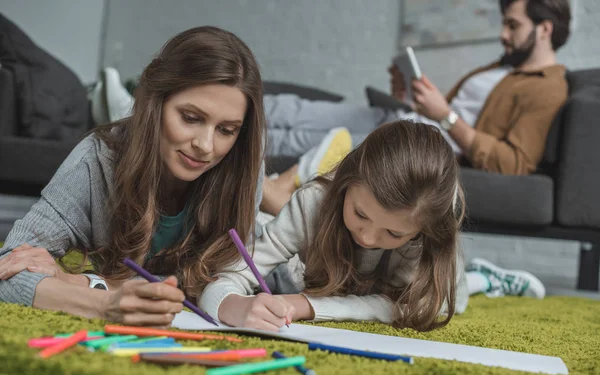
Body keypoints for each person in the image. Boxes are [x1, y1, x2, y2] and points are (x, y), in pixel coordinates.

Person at [0, 26, 266, 327]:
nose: (205, 146)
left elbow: (227, 279)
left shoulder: (244, 167)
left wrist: (80, 283)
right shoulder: (96, 161)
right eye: (191, 118)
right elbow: (8, 269)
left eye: (226, 130)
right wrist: (104, 304)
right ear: (155, 103)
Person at [263, 0, 571, 202]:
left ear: (544, 29)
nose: (503, 34)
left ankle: (240, 151)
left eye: (513, 25)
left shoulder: (549, 88)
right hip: (406, 118)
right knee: (293, 109)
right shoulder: (501, 67)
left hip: (420, 142)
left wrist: (445, 115)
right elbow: (449, 112)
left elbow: (514, 163)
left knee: (298, 138)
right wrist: (411, 100)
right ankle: (233, 110)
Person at [199, 120, 468, 332]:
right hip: (315, 268)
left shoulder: (430, 233)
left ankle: (483, 278)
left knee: (466, 289)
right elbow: (223, 281)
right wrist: (231, 304)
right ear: (345, 183)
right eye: (360, 214)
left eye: (394, 233)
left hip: (445, 279)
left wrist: (307, 305)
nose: (367, 236)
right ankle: (287, 177)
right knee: (260, 231)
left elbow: (416, 308)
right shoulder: (313, 201)